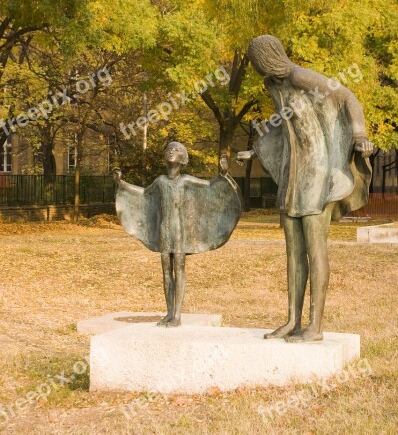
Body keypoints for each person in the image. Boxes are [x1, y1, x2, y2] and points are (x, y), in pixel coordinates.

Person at [237, 35, 373, 342]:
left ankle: (315, 327)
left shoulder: (299, 75)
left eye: (257, 61)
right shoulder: (275, 85)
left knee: (315, 247)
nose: (257, 68)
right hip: (293, 172)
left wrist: (359, 133)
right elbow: (282, 124)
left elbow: (348, 97)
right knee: (294, 252)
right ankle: (291, 320)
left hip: (319, 172)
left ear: (269, 56)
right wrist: (255, 151)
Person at [114, 142, 241, 327]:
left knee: (179, 270)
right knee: (166, 272)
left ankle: (178, 315)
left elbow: (211, 186)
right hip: (164, 231)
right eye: (169, 149)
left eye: (176, 150)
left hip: (180, 231)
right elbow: (142, 194)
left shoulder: (186, 180)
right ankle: (169, 312)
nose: (171, 151)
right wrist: (120, 183)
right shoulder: (160, 181)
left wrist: (223, 173)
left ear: (182, 159)